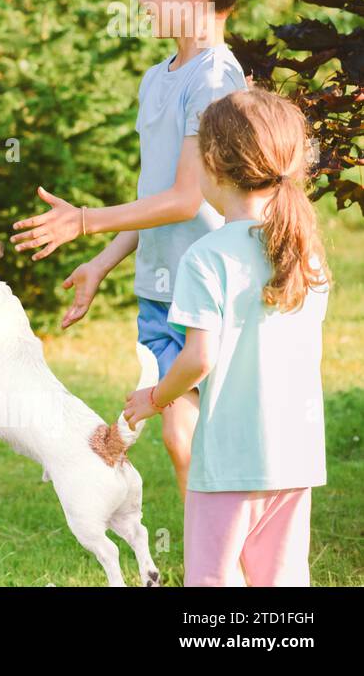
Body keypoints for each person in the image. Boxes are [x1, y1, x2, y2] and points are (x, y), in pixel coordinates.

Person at [11, 0, 252, 497]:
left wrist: (85, 222)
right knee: (186, 440)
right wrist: (103, 262)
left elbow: (187, 198)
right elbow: (156, 201)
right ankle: (217, 566)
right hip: (160, 293)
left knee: (186, 439)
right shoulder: (158, 78)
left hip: (207, 290)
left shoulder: (217, 78)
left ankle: (219, 569)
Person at [123, 88, 329, 586]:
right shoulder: (307, 252)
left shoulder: (207, 256)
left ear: (211, 162)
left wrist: (154, 397)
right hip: (295, 459)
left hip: (230, 464)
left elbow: (199, 359)